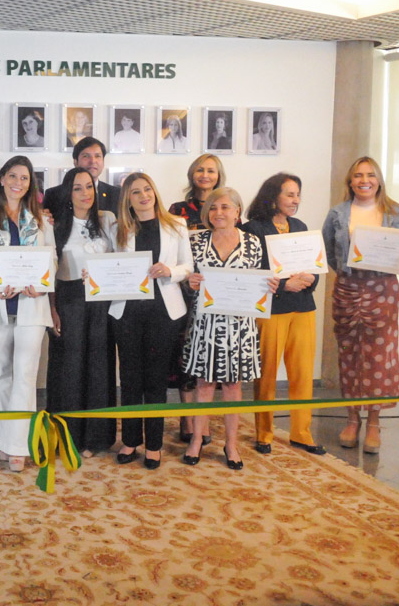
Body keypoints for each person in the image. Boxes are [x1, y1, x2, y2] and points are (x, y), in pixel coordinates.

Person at [322, 156, 399, 453]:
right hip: (347, 289)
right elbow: (331, 255)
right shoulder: (337, 214)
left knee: (378, 356)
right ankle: (352, 419)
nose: (363, 180)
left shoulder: (395, 212)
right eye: (357, 175)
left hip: (382, 290)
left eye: (370, 174)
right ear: (350, 181)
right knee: (349, 353)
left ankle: (375, 423)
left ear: (379, 179)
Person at [183, 188, 276, 470]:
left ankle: (231, 444)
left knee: (234, 386)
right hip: (205, 325)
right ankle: (197, 440)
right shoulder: (194, 241)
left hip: (240, 327)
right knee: (204, 384)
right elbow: (185, 278)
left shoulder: (254, 243)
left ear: (238, 211)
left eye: (225, 207)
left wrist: (270, 286)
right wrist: (190, 282)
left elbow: (262, 281)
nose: (218, 213)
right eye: (213, 208)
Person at [109, 173, 191, 470]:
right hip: (126, 312)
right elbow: (108, 266)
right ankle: (131, 440)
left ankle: (154, 444)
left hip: (164, 310)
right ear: (127, 200)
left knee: (156, 379)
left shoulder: (176, 225)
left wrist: (170, 270)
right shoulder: (118, 228)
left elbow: (188, 266)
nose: (143, 196)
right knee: (130, 378)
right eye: (135, 193)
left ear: (154, 192)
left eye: (147, 190)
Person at [0, 156, 54, 471]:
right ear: (1, 179)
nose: (18, 183)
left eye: (24, 178)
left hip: (31, 307)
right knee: (0, 374)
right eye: (12, 176)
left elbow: (51, 259)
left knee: (25, 375)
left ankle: (18, 446)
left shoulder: (41, 220)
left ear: (31, 184)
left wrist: (43, 285)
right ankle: (1, 438)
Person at [243, 173, 324, 455]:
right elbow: (250, 274)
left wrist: (312, 279)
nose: (295, 200)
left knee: (302, 373)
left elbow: (316, 265)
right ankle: (263, 433)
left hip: (303, 308)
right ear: (273, 195)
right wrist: (282, 286)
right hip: (271, 310)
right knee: (266, 375)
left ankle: (301, 433)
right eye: (289, 194)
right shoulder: (253, 229)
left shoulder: (301, 226)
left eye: (298, 194)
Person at [47, 167, 117, 456]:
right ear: (68, 192)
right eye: (77, 188)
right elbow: (47, 271)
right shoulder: (54, 224)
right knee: (69, 370)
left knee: (99, 368)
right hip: (68, 300)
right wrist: (51, 309)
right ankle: (67, 436)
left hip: (102, 302)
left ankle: (96, 438)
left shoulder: (107, 220)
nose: (85, 193)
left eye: (89, 187)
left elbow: (121, 258)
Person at [167, 154, 228, 441]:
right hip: (186, 291)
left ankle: (202, 420)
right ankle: (187, 417)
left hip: (218, 292)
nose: (205, 175)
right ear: (192, 174)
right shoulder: (177, 210)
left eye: (211, 171)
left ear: (219, 175)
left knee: (210, 355)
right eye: (200, 170)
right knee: (185, 353)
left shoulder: (224, 206)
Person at [43, 137, 122, 216]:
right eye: (86, 156)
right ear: (75, 162)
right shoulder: (53, 195)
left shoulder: (116, 194)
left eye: (97, 156)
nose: (93, 161)